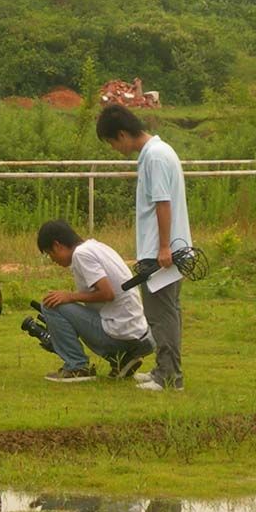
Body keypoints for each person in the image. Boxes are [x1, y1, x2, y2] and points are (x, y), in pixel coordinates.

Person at [96, 105, 192, 392]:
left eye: (113, 142)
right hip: (167, 249)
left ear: (123, 134)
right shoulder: (159, 152)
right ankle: (164, 370)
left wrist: (163, 247)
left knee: (161, 316)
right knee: (167, 313)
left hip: (162, 252)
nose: (114, 148)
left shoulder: (155, 158)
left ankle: (169, 377)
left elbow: (163, 203)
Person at [35, 219, 155, 383]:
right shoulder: (97, 247)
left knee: (50, 305)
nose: (53, 260)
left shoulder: (81, 255)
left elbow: (107, 293)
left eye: (50, 254)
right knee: (61, 303)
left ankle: (77, 367)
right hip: (137, 334)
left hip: (118, 334)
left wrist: (70, 296)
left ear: (57, 245)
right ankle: (122, 360)